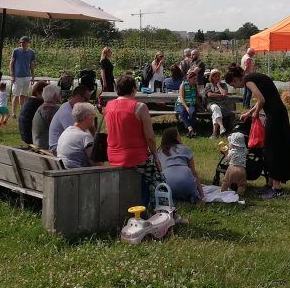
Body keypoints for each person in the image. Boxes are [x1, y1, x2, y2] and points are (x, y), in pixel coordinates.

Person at [225, 64, 290, 199]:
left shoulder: (248, 80)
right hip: (276, 113)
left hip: (275, 115)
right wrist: (249, 113)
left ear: (235, 79)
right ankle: (270, 184)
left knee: (272, 149)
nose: (235, 87)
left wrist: (255, 113)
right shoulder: (253, 77)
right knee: (267, 149)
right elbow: (262, 99)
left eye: (233, 84)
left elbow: (261, 100)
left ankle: (277, 189)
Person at [105, 74, 163, 204]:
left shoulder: (109, 105)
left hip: (113, 155)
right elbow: (150, 137)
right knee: (158, 179)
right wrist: (156, 156)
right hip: (134, 156)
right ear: (133, 89)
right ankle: (164, 210)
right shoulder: (140, 107)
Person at [158, 127, 204, 202]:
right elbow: (194, 173)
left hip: (167, 186)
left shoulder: (159, 152)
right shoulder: (185, 149)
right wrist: (202, 194)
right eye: (179, 135)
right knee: (189, 191)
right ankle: (191, 196)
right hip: (187, 183)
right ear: (176, 137)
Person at [47, 84, 91, 153]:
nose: (87, 103)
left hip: (63, 146)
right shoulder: (67, 113)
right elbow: (77, 137)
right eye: (86, 99)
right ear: (78, 96)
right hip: (56, 149)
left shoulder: (69, 107)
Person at [57, 101, 99, 168]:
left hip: (64, 171)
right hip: (77, 174)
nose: (94, 119)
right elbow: (95, 163)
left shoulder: (66, 131)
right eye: (93, 116)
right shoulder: (85, 137)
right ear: (86, 117)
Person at [9, 35, 36, 118]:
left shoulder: (31, 52)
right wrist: (12, 75)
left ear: (27, 43)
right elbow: (11, 63)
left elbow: (31, 65)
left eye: (24, 42)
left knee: (23, 95)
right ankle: (13, 113)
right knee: (16, 95)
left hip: (27, 76)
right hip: (17, 76)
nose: (22, 44)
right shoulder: (16, 51)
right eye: (21, 42)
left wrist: (32, 76)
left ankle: (22, 111)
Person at [31, 84, 62, 150]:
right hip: (46, 147)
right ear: (55, 95)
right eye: (59, 94)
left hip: (38, 143)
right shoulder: (53, 109)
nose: (60, 96)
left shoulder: (42, 107)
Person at [203, 68, 232, 138]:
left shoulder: (223, 85)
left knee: (215, 112)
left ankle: (214, 134)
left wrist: (219, 86)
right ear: (212, 77)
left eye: (218, 76)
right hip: (211, 104)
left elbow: (225, 94)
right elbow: (209, 95)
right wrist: (221, 95)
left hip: (222, 105)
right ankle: (221, 126)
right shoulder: (208, 85)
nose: (217, 78)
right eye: (215, 76)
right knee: (215, 107)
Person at [18, 80, 47, 145]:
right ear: (38, 92)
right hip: (31, 137)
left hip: (24, 135)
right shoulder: (38, 102)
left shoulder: (30, 100)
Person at [221, 127, 248, 196]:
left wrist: (225, 153)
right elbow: (246, 152)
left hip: (231, 169)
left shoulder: (232, 151)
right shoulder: (245, 151)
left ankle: (223, 192)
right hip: (242, 170)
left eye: (230, 142)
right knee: (242, 185)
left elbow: (227, 159)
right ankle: (239, 195)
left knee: (226, 182)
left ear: (233, 144)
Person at [175, 67, 199, 137]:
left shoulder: (195, 86)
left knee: (193, 111)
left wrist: (201, 106)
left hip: (192, 103)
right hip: (181, 104)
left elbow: (197, 98)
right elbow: (181, 97)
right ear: (189, 78)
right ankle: (190, 128)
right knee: (183, 112)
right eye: (194, 79)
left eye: (196, 78)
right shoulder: (183, 85)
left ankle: (190, 131)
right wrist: (186, 107)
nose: (195, 80)